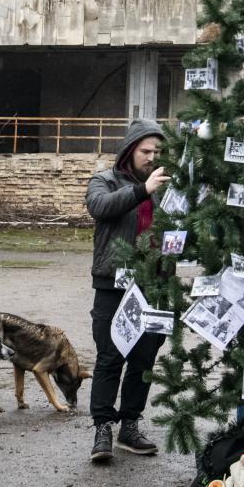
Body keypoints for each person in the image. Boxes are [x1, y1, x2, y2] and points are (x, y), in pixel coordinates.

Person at [85, 118, 169, 464]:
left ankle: (130, 426)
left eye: (157, 151)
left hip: (156, 283)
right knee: (110, 356)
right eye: (146, 150)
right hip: (112, 283)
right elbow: (99, 207)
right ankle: (103, 428)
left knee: (144, 359)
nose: (152, 156)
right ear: (130, 150)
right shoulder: (104, 180)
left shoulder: (166, 186)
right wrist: (142, 190)